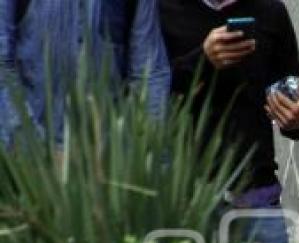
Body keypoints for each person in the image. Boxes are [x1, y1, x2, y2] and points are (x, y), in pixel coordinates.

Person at [158, 0, 299, 243]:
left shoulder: (270, 12)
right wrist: (203, 61)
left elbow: (293, 103)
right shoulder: (161, 11)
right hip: (186, 206)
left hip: (257, 202)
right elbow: (147, 94)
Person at [0, 0, 171, 147]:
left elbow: (150, 74)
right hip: (25, 161)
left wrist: (145, 157)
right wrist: (32, 148)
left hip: (104, 163)